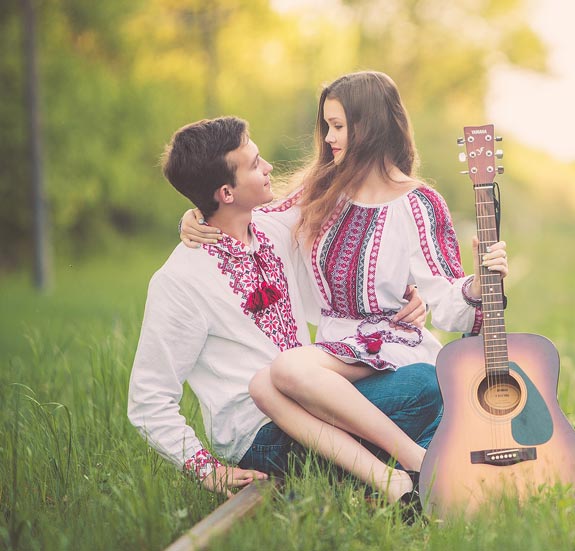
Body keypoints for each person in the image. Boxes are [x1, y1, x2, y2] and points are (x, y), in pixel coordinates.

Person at [179, 71, 509, 488]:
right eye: (326, 126)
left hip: (392, 347)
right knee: (268, 381)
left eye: (337, 126)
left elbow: (445, 296)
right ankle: (406, 472)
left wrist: (479, 286)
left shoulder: (419, 203)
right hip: (334, 354)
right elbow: (250, 220)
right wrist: (195, 215)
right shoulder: (321, 189)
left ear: (368, 127)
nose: (328, 138)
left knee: (285, 370)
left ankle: (414, 462)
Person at [129, 116, 440, 503]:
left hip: (317, 394)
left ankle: (371, 487)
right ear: (226, 192)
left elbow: (347, 213)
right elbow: (148, 398)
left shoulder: (276, 229)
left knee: (432, 384)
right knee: (427, 391)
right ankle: (406, 479)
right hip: (261, 433)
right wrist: (207, 470)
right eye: (255, 163)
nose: (268, 168)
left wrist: (409, 294)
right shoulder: (179, 280)